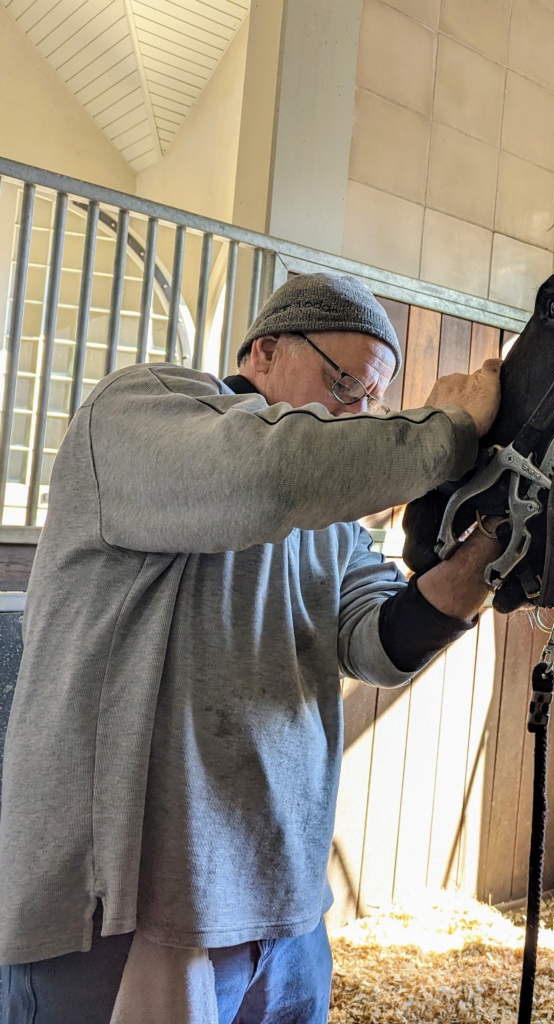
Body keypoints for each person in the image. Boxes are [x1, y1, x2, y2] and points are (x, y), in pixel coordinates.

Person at [0, 273, 503, 1024]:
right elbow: (269, 475)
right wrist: (449, 429)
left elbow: (375, 643)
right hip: (112, 917)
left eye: (371, 402)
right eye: (343, 386)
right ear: (264, 351)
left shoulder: (332, 519)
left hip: (284, 908)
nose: (355, 414)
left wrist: (489, 559)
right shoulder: (139, 410)